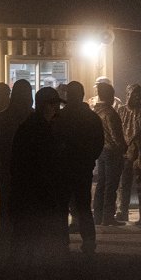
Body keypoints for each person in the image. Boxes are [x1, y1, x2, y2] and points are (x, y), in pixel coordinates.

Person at [8, 86, 68, 265]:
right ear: (43, 105)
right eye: (53, 104)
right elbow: (40, 163)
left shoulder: (38, 126)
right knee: (32, 235)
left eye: (57, 104)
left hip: (34, 190)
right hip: (36, 191)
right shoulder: (37, 128)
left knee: (28, 237)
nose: (56, 108)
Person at [54, 80, 103, 256]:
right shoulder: (91, 117)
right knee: (83, 205)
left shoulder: (60, 117)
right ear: (82, 95)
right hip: (83, 167)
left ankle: (62, 241)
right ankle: (89, 241)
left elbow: (53, 142)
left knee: (62, 206)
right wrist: (89, 159)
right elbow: (99, 143)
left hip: (64, 168)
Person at [0, 78, 33, 250]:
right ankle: (27, 239)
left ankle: (6, 237)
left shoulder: (3, 117)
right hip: (29, 170)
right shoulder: (34, 116)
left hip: (7, 167)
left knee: (7, 203)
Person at [116, 83, 141, 223]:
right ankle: (122, 211)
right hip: (125, 152)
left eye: (139, 94)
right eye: (134, 94)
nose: (136, 97)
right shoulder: (121, 111)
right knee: (123, 183)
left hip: (140, 153)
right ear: (127, 94)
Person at [91, 80, 127, 227]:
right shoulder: (110, 113)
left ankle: (98, 216)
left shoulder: (95, 111)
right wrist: (123, 149)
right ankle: (108, 216)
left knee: (101, 184)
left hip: (100, 151)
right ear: (110, 96)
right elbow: (116, 137)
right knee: (111, 185)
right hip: (112, 152)